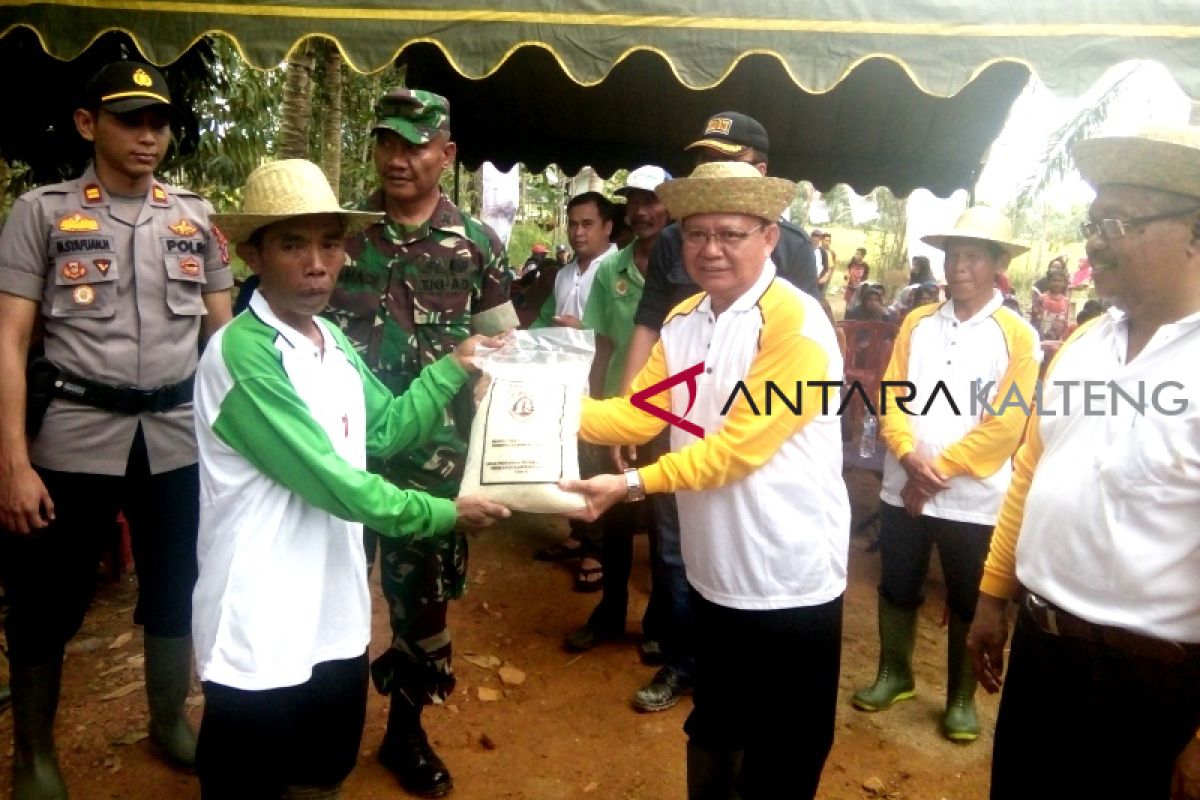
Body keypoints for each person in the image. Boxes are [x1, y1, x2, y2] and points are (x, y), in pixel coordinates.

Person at [191, 159, 508, 800]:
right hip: (261, 619)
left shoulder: (330, 339)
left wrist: (453, 364)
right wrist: (448, 512)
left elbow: (384, 430)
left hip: (332, 612)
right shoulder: (242, 354)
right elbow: (336, 483)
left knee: (323, 772)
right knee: (250, 781)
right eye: (292, 243)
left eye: (330, 243)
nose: (317, 263)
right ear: (254, 254)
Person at [566, 160, 849, 798]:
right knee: (717, 726)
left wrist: (631, 487)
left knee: (785, 748)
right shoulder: (686, 319)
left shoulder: (798, 326)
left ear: (770, 237)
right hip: (714, 571)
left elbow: (736, 452)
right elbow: (640, 413)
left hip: (788, 580)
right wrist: (533, 407)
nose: (710, 250)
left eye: (730, 234)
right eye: (696, 234)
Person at [0, 61, 233, 795]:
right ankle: (34, 753)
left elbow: (225, 344)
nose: (147, 135)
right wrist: (13, 461)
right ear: (86, 123)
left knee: (178, 585)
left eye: (158, 121)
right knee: (45, 597)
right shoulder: (41, 212)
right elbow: (8, 340)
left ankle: (168, 719)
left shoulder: (195, 217)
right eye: (129, 119)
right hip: (74, 433)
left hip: (177, 436)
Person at [968, 124, 1200, 800]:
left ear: (1193, 233)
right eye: (1092, 222)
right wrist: (993, 594)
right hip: (1045, 654)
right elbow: (1032, 473)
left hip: (1155, 686)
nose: (1094, 241)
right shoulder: (1085, 343)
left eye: (1118, 223)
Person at [322, 87, 517, 798]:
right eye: (387, 143)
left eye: (414, 144)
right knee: (326, 592)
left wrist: (502, 457)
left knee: (422, 612)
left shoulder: (477, 245)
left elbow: (503, 353)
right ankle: (323, 735)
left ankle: (406, 731)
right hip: (339, 456)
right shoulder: (341, 235)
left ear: (447, 153)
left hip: (430, 468)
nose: (398, 159)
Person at [618, 111, 819, 713]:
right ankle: (686, 664)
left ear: (762, 175)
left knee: (747, 550)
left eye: (730, 161)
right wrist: (632, 415)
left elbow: (789, 364)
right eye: (706, 159)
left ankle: (731, 671)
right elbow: (651, 323)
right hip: (681, 419)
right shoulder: (675, 241)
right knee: (679, 550)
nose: (712, 249)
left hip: (756, 439)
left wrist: (628, 477)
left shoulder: (795, 259)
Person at [851, 205, 1040, 743]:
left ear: (998, 264)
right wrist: (907, 455)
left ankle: (960, 698)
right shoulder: (917, 322)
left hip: (973, 496)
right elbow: (893, 393)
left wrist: (936, 469)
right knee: (898, 582)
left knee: (966, 594)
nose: (959, 267)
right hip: (902, 484)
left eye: (973, 257)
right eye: (953, 256)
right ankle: (895, 673)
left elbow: (1008, 424)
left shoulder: (1016, 335)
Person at [565, 165, 670, 655]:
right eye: (634, 202)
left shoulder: (685, 266)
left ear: (669, 205)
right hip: (618, 412)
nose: (642, 212)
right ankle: (609, 612)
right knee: (616, 523)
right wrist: (593, 412)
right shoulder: (612, 270)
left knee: (666, 526)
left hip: (672, 419)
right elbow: (602, 346)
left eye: (652, 201)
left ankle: (656, 625)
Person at [531, 191, 616, 329]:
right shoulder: (563, 274)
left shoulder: (622, 270)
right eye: (573, 224)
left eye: (587, 224)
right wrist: (518, 338)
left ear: (607, 227)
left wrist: (583, 329)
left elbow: (626, 333)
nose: (578, 232)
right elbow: (545, 320)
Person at [1030, 267, 1071, 340]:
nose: (1056, 283)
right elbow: (1034, 319)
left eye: (1059, 281)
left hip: (1058, 339)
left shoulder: (1066, 301)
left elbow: (1066, 322)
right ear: (1048, 282)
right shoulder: (1042, 298)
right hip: (1041, 337)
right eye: (1054, 280)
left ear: (1064, 284)